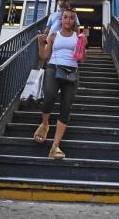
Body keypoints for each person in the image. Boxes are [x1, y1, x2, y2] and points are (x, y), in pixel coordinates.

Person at [34, 8, 86, 159]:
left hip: (71, 72)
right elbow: (44, 56)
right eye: (65, 17)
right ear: (61, 19)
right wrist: (39, 43)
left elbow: (82, 60)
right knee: (49, 96)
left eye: (71, 18)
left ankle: (55, 146)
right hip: (53, 67)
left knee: (66, 107)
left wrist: (82, 45)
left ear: (74, 21)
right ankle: (44, 124)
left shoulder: (78, 37)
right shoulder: (53, 35)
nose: (68, 20)